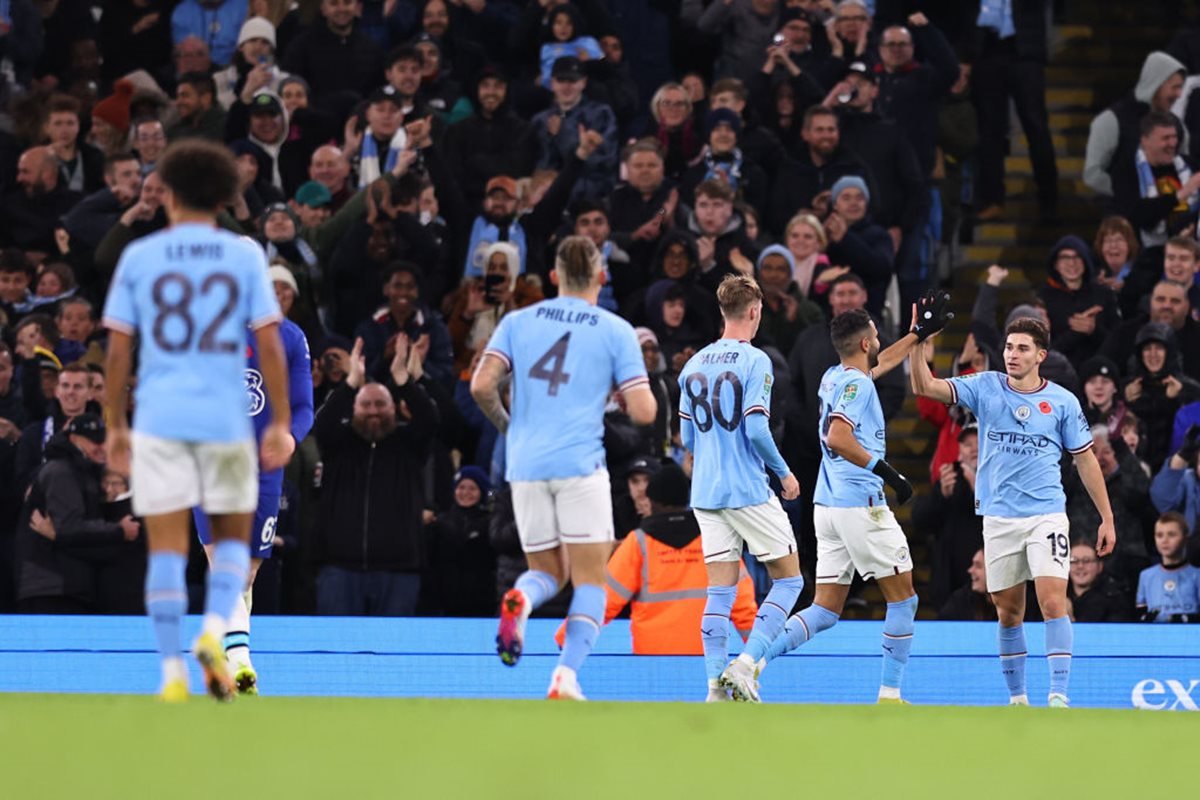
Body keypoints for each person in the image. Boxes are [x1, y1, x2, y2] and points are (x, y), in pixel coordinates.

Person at [101, 139, 293, 703]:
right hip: (224, 416)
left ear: (167, 193)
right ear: (225, 196)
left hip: (161, 415)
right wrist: (279, 420)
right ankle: (216, 631)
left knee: (166, 548)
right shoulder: (244, 256)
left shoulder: (142, 255)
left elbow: (117, 350)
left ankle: (170, 674)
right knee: (233, 542)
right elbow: (271, 343)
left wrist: (115, 426)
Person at [471, 236, 656, 700]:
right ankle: (565, 676)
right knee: (590, 581)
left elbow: (481, 385)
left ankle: (522, 600)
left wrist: (510, 428)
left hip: (527, 465)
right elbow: (645, 411)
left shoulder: (517, 320)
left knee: (547, 572)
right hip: (580, 463)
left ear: (553, 277)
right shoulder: (615, 330)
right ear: (601, 276)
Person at [910, 314, 1117, 708]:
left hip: (1046, 515)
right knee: (1008, 612)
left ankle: (1058, 693)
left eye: (1022, 348)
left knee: (1053, 599)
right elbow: (924, 386)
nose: (1012, 355)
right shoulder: (985, 387)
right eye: (1008, 347)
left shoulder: (1062, 401)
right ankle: (1018, 698)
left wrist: (1106, 517)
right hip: (999, 518)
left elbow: (1086, 461)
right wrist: (920, 340)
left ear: (1041, 354)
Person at [758, 301, 939, 703]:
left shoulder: (834, 376)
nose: (879, 340)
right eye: (875, 335)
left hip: (828, 506)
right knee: (904, 600)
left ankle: (752, 662)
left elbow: (877, 366)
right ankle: (890, 694)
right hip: (862, 503)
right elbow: (838, 437)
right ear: (864, 342)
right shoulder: (859, 386)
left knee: (824, 610)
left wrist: (917, 335)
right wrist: (887, 471)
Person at [673, 275, 802, 703]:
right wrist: (783, 472)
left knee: (720, 592)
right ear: (755, 311)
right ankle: (746, 666)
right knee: (789, 580)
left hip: (706, 494)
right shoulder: (755, 361)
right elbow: (756, 427)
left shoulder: (692, 366)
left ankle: (714, 688)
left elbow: (687, 442)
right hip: (747, 488)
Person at [192, 288, 313, 694]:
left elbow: (303, 406)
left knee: (245, 575)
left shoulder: (290, 337)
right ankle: (241, 661)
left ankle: (220, 645)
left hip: (264, 468)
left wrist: (291, 439)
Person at [554, 463, 758, 654]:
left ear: (652, 501)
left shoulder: (638, 543)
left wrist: (566, 637)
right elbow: (743, 605)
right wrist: (761, 649)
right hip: (708, 655)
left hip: (651, 658)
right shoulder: (714, 540)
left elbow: (605, 600)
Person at [1137, 512, 1200, 622]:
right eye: (1159, 535)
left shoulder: (1197, 575)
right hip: (1156, 637)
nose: (1164, 540)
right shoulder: (1146, 576)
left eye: (1171, 534)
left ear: (1185, 538)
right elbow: (1141, 616)